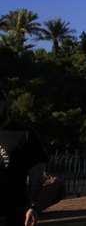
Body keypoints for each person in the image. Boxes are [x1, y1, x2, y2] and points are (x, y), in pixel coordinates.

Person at [0, 86, 48, 226]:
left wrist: (33, 206)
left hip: (12, 217)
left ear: (7, 104)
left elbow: (36, 176)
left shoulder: (25, 134)